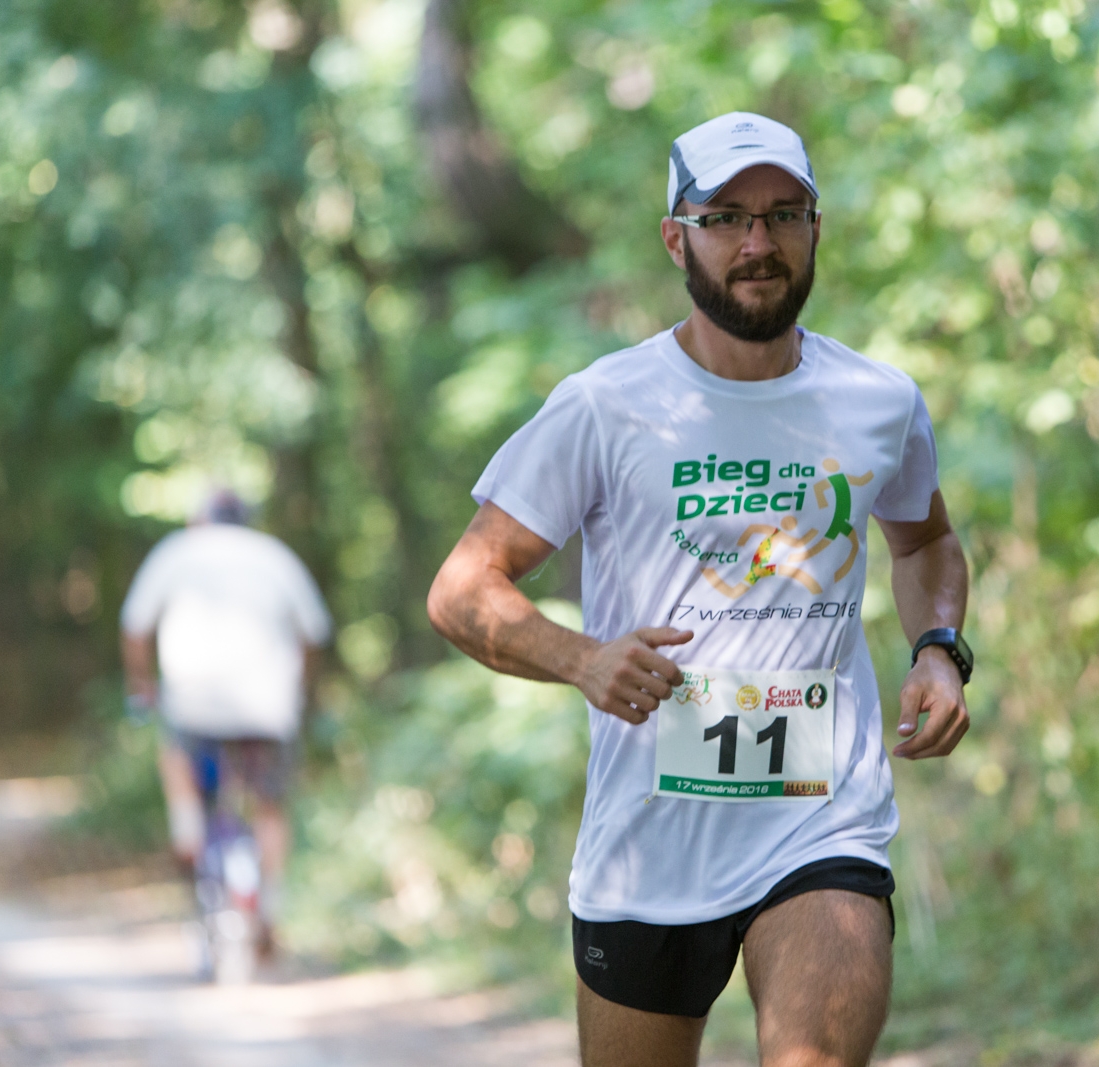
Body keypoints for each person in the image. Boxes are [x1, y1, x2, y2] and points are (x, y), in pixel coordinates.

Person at [427, 111, 973, 1067]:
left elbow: (926, 540)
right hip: (649, 846)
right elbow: (463, 587)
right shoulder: (606, 405)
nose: (757, 243)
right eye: (726, 217)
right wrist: (582, 658)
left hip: (821, 819)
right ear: (678, 237)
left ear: (815, 227)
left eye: (783, 214)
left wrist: (939, 649)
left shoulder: (879, 400)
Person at [120, 489, 331, 949]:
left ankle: (186, 826)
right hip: (267, 708)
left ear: (202, 519)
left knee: (174, 751)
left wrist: (142, 686)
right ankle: (269, 907)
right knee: (269, 804)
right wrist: (300, 691)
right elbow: (314, 632)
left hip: (193, 703)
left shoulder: (177, 552)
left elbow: (134, 625)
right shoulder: (275, 556)